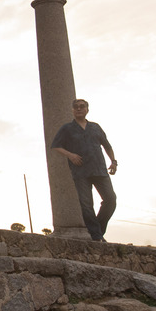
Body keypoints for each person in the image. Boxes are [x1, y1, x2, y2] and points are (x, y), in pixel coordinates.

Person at [51, 99, 118, 241]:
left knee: (111, 200)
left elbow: (107, 146)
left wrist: (113, 161)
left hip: (99, 169)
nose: (79, 109)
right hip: (80, 171)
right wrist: (70, 155)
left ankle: (98, 229)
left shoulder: (95, 127)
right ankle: (96, 236)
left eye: (82, 107)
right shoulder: (67, 128)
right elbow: (56, 146)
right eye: (75, 107)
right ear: (72, 110)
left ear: (87, 109)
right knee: (86, 204)